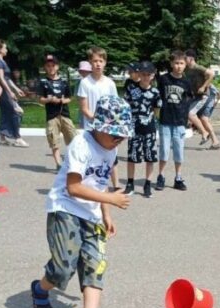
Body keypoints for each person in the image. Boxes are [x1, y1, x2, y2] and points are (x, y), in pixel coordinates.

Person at [30, 95, 132, 308]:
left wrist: (106, 213)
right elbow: (73, 187)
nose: (120, 139)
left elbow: (100, 182)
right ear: (99, 128)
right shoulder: (81, 144)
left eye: (123, 135)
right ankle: (39, 288)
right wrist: (111, 199)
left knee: (95, 266)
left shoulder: (111, 149)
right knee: (63, 268)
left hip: (92, 213)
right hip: (65, 208)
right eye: (115, 134)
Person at [77, 47, 121, 190]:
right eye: (95, 61)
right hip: (91, 127)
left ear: (105, 63)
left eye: (100, 61)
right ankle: (89, 186)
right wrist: (96, 121)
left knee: (110, 156)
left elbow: (115, 105)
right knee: (91, 157)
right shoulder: (85, 83)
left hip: (107, 126)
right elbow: (84, 108)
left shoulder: (110, 83)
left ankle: (116, 185)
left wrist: (110, 123)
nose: (98, 64)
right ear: (90, 62)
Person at [123, 61, 162, 198]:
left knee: (150, 158)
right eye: (143, 74)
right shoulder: (132, 90)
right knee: (132, 157)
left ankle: (147, 184)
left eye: (148, 74)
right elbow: (125, 107)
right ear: (139, 74)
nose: (145, 77)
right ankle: (130, 183)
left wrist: (153, 121)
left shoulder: (155, 92)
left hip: (149, 129)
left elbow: (157, 110)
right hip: (134, 128)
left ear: (152, 76)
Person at [156, 50, 193, 191]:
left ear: (185, 65)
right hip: (165, 120)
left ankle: (178, 177)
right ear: (171, 64)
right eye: (176, 63)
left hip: (180, 122)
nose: (178, 66)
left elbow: (188, 99)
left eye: (181, 63)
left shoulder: (186, 82)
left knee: (179, 151)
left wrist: (188, 118)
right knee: (164, 150)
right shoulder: (164, 79)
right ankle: (161, 175)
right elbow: (157, 97)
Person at [38, 54, 77, 171]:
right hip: (51, 116)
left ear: (57, 67)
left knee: (73, 138)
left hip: (64, 114)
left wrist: (62, 100)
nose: (51, 68)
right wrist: (49, 99)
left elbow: (70, 97)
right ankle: (58, 164)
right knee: (54, 141)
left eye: (53, 65)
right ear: (45, 67)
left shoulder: (64, 82)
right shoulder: (43, 82)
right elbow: (40, 99)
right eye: (48, 66)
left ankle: (72, 161)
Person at [0, 39, 29, 147]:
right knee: (16, 112)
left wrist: (16, 89)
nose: (6, 50)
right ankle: (17, 138)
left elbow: (7, 79)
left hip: (6, 90)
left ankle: (2, 137)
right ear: (0, 49)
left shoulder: (2, 61)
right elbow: (2, 79)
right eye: (5, 47)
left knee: (5, 113)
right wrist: (9, 92)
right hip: (3, 92)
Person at [184, 49, 217, 147]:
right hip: (196, 97)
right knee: (204, 119)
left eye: (185, 58)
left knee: (190, 113)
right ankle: (215, 141)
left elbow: (211, 74)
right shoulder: (187, 70)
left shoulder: (197, 67)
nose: (184, 60)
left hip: (203, 96)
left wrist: (203, 87)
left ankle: (204, 132)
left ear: (190, 58)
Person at [197, 83, 220, 150]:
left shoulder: (210, 85)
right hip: (203, 106)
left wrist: (215, 103)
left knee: (204, 119)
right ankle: (210, 137)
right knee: (202, 121)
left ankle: (215, 141)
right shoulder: (203, 84)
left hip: (208, 106)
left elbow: (219, 94)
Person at [76, 61, 93, 128]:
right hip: (83, 108)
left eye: (86, 71)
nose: (84, 73)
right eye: (82, 71)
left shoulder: (93, 82)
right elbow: (78, 97)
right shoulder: (79, 83)